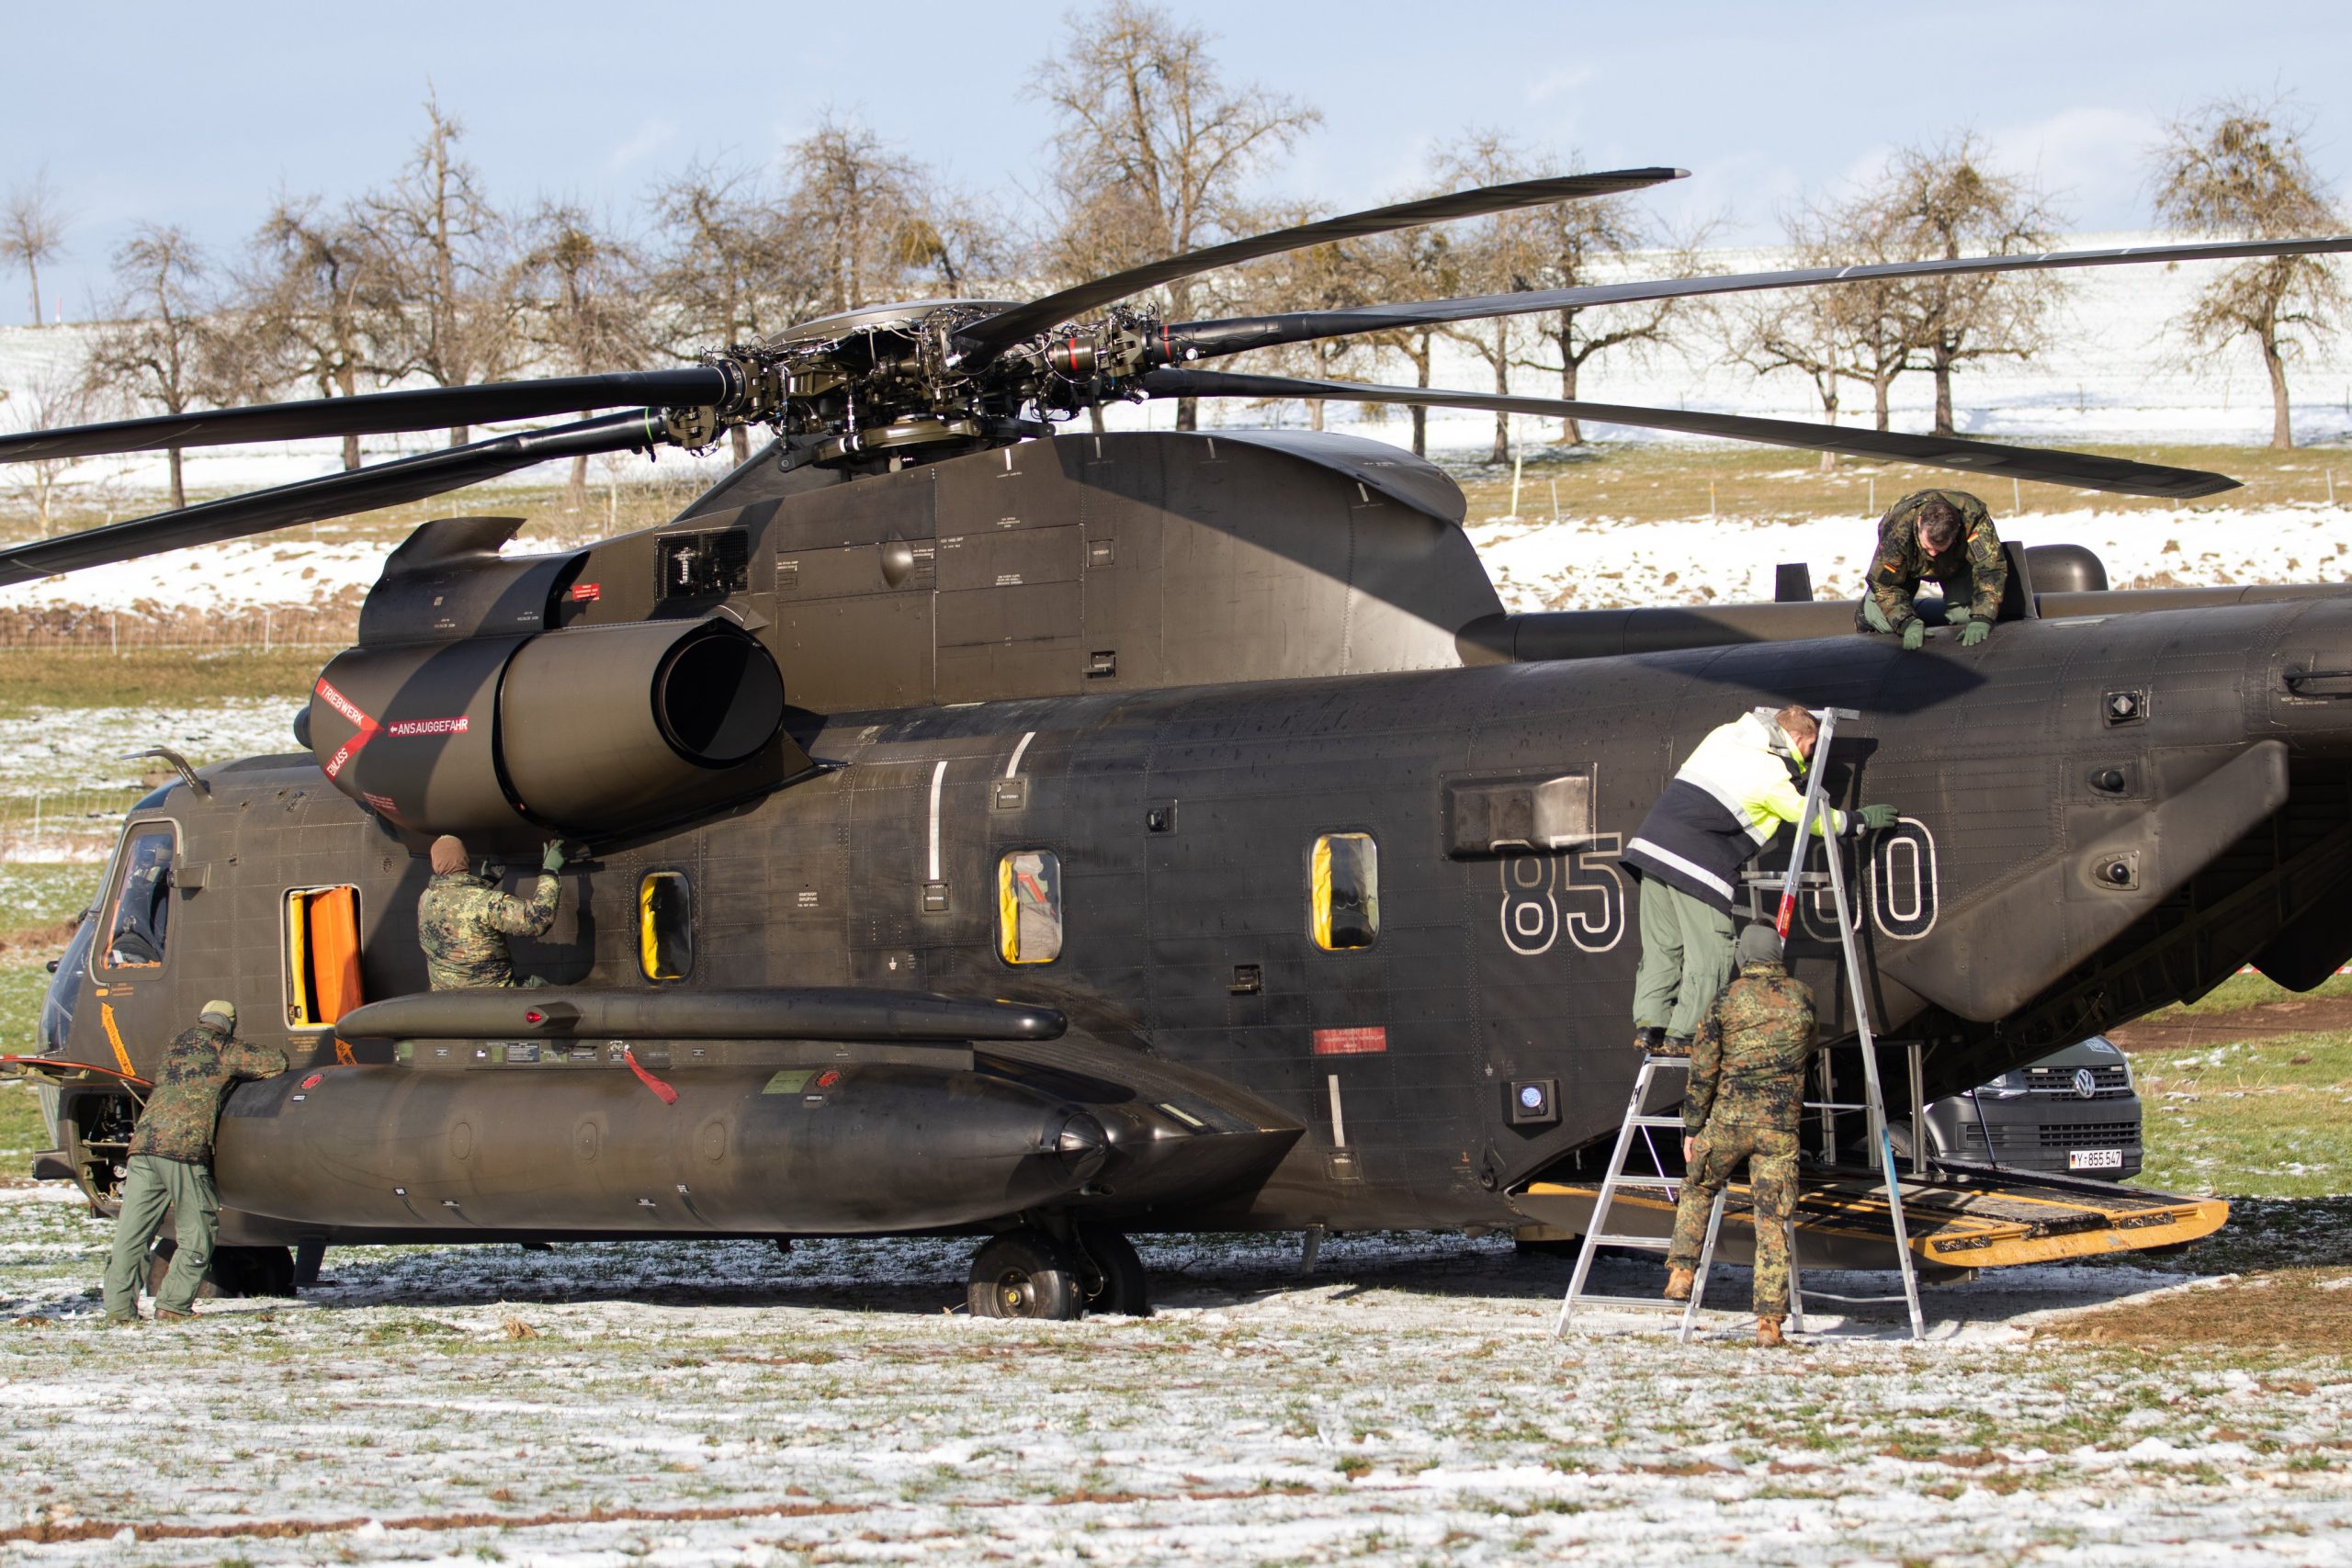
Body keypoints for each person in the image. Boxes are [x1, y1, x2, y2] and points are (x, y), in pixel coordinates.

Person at [1624, 705, 1896, 1053]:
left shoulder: (1724, 735)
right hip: (1696, 861)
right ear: (1796, 738)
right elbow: (1809, 816)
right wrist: (1855, 820)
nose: (1811, 758)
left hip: (1651, 849)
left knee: (1663, 945)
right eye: (1811, 748)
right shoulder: (1769, 772)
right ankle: (1684, 1035)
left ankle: (1650, 1026)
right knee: (1711, 951)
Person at [1662, 925, 1814, 1348]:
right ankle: (1769, 1322)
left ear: (1744, 958)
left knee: (1698, 1185)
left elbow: (1703, 1068)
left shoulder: (1726, 1000)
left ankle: (1682, 1271)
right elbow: (1807, 1048)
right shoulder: (1803, 996)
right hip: (1779, 1128)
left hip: (1729, 1121)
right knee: (1772, 1221)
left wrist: (1692, 1127)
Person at [100, 1001, 287, 1324]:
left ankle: (118, 1310)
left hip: (143, 1146)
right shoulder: (221, 1047)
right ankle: (173, 1305)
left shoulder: (174, 1044)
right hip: (182, 1148)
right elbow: (274, 1063)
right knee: (198, 1232)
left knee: (132, 1234)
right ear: (228, 1024)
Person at [1858, 489, 2007, 649]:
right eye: (1928, 548)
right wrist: (1906, 622)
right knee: (1888, 624)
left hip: (1955, 564)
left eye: (1939, 549)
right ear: (1920, 522)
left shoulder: (1973, 517)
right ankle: (1865, 612)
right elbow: (1884, 585)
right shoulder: (1898, 530)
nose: (1933, 554)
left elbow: (1990, 568)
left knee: (1964, 617)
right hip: (1907, 568)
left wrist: (1983, 617)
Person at [418, 835, 567, 990]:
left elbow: (459, 907)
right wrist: (550, 870)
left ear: (435, 864)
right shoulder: (487, 902)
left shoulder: (426, 898)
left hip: (447, 999)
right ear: (465, 860)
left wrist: (486, 881)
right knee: (542, 987)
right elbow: (538, 920)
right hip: (494, 996)